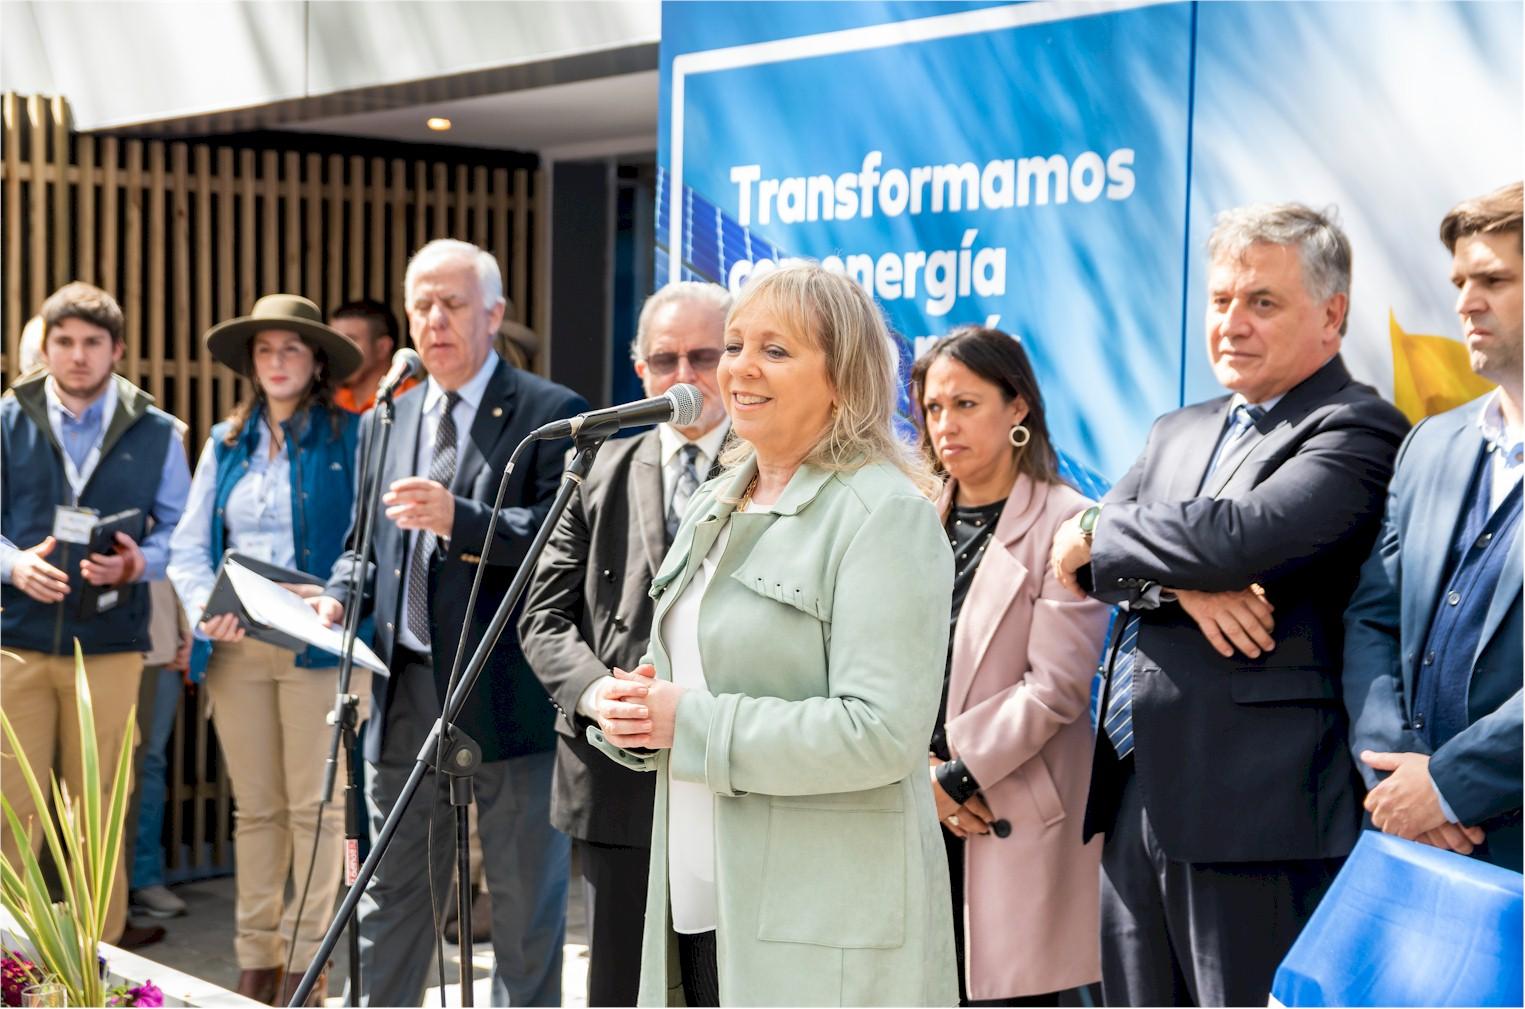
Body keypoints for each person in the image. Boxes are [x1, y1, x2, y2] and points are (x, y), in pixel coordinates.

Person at [1050, 203, 1411, 1007]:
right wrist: (1180, 581)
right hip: (1137, 793)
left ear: (1331, 314)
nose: (1231, 324)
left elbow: (1242, 537)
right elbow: (1082, 569)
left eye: (1261, 302)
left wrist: (1101, 524)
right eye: (1219, 301)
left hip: (1258, 812)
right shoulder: (1176, 429)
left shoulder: (1358, 428)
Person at [584, 263, 957, 1007]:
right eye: (734, 345)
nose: (739, 369)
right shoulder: (716, 501)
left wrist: (686, 720)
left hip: (818, 921)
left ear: (841, 376)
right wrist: (630, 710)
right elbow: (683, 672)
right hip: (696, 891)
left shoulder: (882, 515)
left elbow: (881, 731)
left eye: (775, 350)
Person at [311, 239, 588, 1008]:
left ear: (493, 314)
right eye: (421, 305)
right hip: (405, 690)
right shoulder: (386, 414)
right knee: (391, 894)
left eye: (453, 303)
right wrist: (338, 596)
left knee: (525, 905)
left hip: (508, 694)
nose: (434, 320)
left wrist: (461, 519)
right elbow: (362, 543)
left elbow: (556, 537)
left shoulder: (548, 412)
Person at [520, 280, 731, 1006]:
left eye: (703, 356)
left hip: (730, 771)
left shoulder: (773, 472)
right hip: (616, 776)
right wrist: (595, 693)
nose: (683, 377)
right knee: (618, 985)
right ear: (637, 369)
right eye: (664, 359)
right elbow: (541, 615)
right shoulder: (598, 467)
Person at [167, 294, 367, 1005]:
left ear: (316, 360)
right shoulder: (225, 443)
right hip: (236, 648)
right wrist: (201, 611)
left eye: (291, 348)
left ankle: (306, 967)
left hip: (319, 647)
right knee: (255, 810)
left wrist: (337, 600)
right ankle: (256, 959)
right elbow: (189, 549)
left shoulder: (354, 436)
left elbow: (366, 545)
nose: (277, 360)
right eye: (264, 350)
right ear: (251, 365)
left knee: (317, 810)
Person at [911, 326, 1110, 1006]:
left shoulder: (1067, 522)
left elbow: (1054, 688)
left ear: (1017, 406)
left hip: (1006, 807)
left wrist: (952, 776)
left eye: (965, 404)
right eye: (933, 408)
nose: (945, 425)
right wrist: (916, 777)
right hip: (909, 800)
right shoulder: (912, 521)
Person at [0, 282, 191, 950]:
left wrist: (140, 564)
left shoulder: (161, 432)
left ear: (117, 350)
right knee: (11, 812)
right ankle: (11, 971)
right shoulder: (6, 418)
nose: (77, 356)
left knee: (99, 812)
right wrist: (13, 564)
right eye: (64, 342)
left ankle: (94, 965)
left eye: (91, 343)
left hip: (109, 646)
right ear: (45, 346)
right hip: (16, 640)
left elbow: (180, 533)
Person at [1343, 182, 1523, 872]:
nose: (1464, 302)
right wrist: (1398, 778)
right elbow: (1371, 619)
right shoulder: (1428, 445)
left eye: (1493, 279)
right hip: (1413, 842)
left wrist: (1448, 786)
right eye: (1458, 281)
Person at [126, 577, 193, 921]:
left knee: (149, 763)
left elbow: (180, 557)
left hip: (160, 641)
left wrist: (188, 628)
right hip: (85, 643)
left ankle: (143, 878)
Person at [330, 298, 414, 413]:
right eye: (334, 341)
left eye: (349, 341)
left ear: (382, 348)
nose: (338, 350)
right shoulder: (329, 401)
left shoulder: (415, 401)